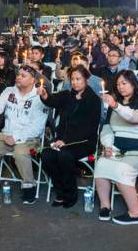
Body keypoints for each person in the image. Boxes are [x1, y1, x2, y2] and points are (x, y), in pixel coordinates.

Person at [92, 70, 138, 225]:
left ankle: (135, 214)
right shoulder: (114, 106)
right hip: (120, 149)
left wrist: (115, 105)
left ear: (133, 84)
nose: (120, 87)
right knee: (101, 165)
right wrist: (108, 145)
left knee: (122, 171)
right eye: (118, 84)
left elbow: (135, 118)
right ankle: (105, 206)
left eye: (124, 83)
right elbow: (107, 128)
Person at [0, 65, 48, 205]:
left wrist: (15, 137)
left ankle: (29, 185)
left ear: (33, 80)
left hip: (29, 137)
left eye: (23, 76)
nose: (18, 77)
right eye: (18, 74)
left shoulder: (39, 96)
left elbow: (37, 127)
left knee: (20, 151)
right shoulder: (9, 91)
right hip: (6, 133)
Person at [37, 65, 100, 207]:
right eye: (72, 79)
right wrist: (44, 95)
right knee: (46, 155)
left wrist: (66, 141)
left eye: (78, 79)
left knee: (64, 156)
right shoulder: (68, 95)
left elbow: (90, 128)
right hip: (62, 140)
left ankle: (70, 194)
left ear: (86, 80)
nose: (75, 82)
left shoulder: (93, 100)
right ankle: (60, 191)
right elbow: (52, 100)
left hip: (83, 141)